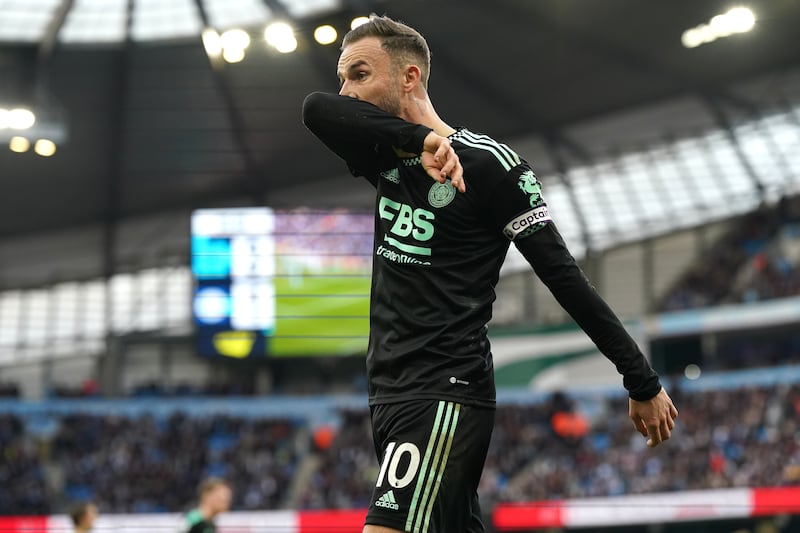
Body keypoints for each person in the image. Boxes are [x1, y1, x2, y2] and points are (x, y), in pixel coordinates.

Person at [302, 14, 679, 533]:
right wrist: (423, 142)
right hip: (388, 390)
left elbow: (563, 275)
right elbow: (315, 110)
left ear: (409, 77)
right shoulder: (384, 153)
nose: (345, 90)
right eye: (344, 77)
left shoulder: (491, 165)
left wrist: (640, 378)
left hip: (444, 386)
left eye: (360, 74)